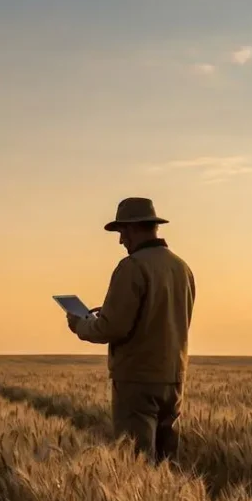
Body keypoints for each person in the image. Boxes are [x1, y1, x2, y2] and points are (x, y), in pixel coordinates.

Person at [66, 197, 195, 464]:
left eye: (122, 232)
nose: (121, 240)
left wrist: (80, 324)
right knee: (166, 462)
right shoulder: (181, 268)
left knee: (136, 463)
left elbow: (112, 328)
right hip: (174, 378)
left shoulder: (133, 267)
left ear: (135, 228)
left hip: (137, 379)